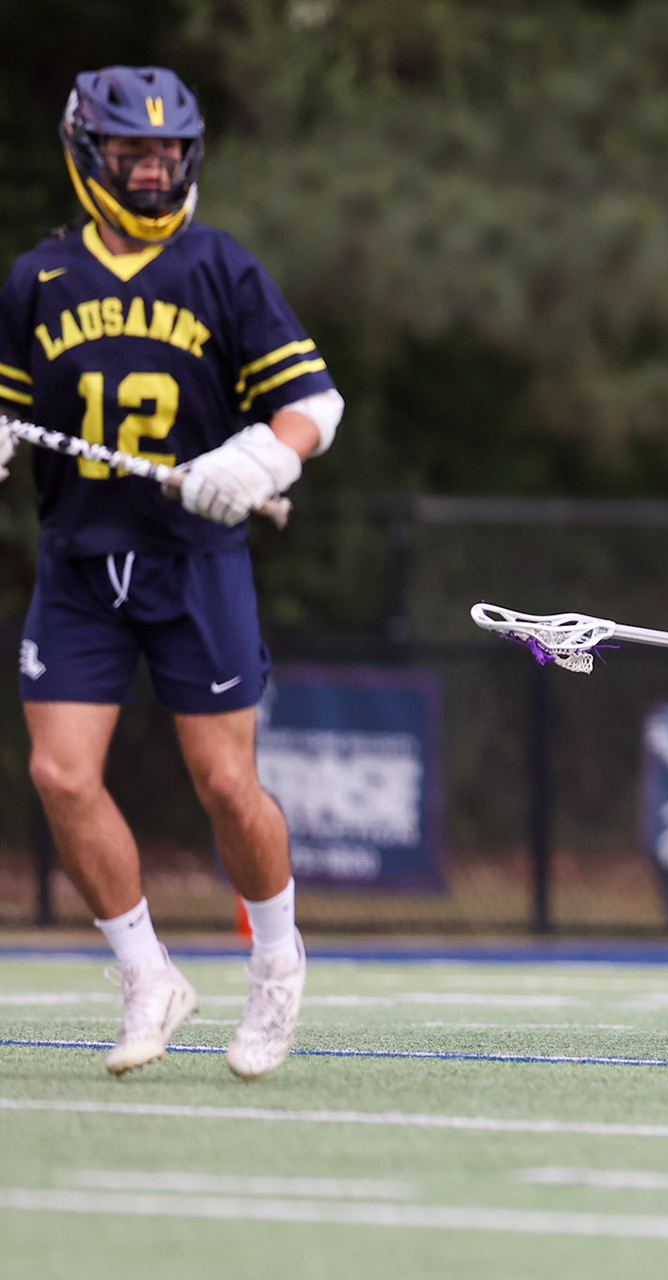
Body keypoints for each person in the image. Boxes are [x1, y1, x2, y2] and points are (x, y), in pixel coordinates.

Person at [0, 67, 341, 1079]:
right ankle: (147, 973)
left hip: (193, 562)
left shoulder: (220, 268)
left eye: (167, 153)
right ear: (90, 155)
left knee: (228, 785)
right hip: (79, 561)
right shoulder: (38, 280)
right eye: (132, 153)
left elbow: (313, 406)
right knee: (60, 773)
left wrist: (261, 457)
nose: (152, 169)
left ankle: (276, 964)